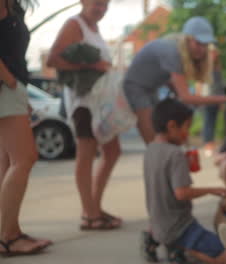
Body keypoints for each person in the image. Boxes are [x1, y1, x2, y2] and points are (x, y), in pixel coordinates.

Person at [47, 0, 122, 230]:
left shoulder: (95, 29)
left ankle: (94, 207)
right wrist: (93, 65)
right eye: (96, 3)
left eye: (105, 4)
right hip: (83, 103)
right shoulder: (74, 24)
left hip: (101, 102)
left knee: (112, 150)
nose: (100, 8)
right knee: (86, 152)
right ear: (83, 2)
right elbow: (52, 60)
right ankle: (89, 214)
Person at [123, 16, 226, 145]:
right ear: (187, 40)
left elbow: (166, 79)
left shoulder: (178, 49)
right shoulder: (173, 52)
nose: (202, 49)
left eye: (205, 45)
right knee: (155, 143)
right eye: (198, 43)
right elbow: (186, 97)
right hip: (135, 88)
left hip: (151, 89)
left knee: (164, 139)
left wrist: (175, 90)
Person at [143, 98, 226, 264]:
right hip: (180, 228)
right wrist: (211, 190)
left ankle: (167, 246)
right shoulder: (175, 154)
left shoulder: (150, 149)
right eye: (187, 126)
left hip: (158, 225)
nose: (188, 132)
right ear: (172, 126)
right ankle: (182, 253)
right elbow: (181, 193)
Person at [0, 0, 52, 256]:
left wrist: (20, 90)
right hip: (4, 88)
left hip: (12, 88)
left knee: (9, 161)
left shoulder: (13, 7)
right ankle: (7, 237)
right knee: (24, 158)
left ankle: (10, 230)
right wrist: (11, 83)